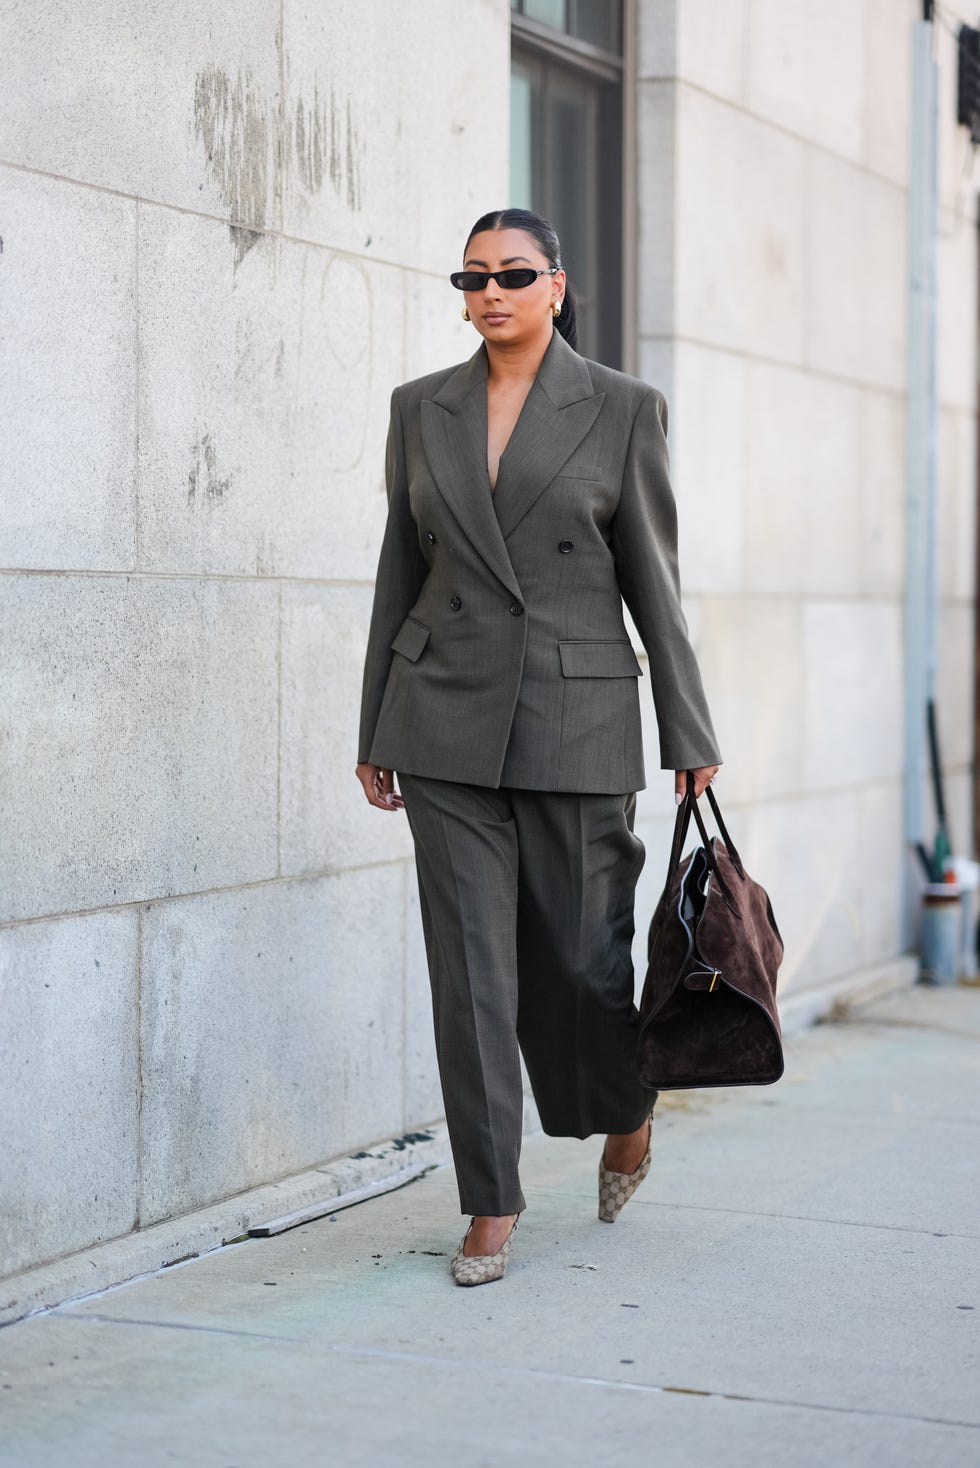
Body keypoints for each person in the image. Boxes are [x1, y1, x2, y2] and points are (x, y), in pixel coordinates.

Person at [355, 207, 720, 1286]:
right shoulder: (419, 408)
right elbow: (396, 571)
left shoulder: (619, 408)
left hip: (576, 717)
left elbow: (653, 576)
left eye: (512, 273)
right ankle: (488, 1201)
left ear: (555, 285)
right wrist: (374, 719)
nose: (489, 293)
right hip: (442, 719)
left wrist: (687, 726)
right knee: (469, 973)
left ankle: (624, 1110)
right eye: (470, 277)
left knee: (578, 966)